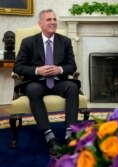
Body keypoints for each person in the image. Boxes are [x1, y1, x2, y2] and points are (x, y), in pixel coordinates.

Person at [13, 9, 80, 157]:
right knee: (33, 90)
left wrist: (59, 69)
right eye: (49, 20)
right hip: (37, 82)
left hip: (58, 82)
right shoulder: (29, 42)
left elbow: (72, 66)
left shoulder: (65, 41)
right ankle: (50, 138)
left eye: (54, 19)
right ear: (40, 24)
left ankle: (70, 135)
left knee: (72, 87)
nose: (53, 22)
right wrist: (38, 70)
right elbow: (18, 67)